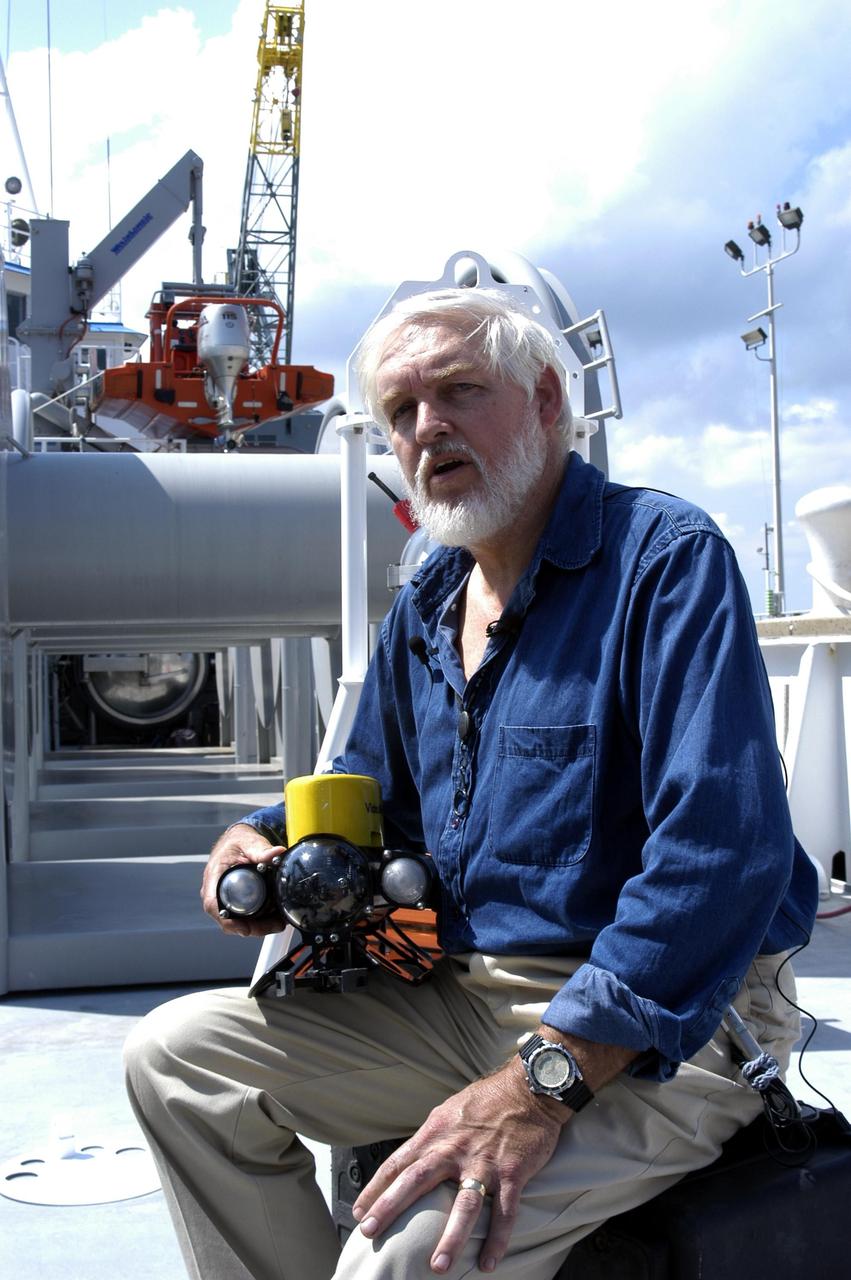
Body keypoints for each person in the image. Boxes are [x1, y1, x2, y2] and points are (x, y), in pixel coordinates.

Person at [125, 287, 818, 1280]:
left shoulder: (662, 560)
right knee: (175, 1060)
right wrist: (262, 833)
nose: (426, 426)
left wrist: (538, 1087)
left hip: (671, 1018)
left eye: (457, 390)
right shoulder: (427, 604)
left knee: (405, 1257)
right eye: (401, 411)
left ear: (544, 401)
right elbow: (368, 790)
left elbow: (719, 854)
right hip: (460, 991)